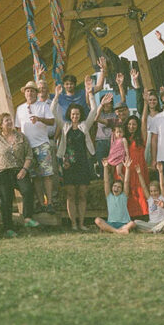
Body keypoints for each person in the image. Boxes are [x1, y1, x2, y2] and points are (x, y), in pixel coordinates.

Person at [57, 93, 107, 231]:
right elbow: (52, 112)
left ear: (80, 115)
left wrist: (90, 94)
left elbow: (93, 110)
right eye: (73, 114)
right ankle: (73, 224)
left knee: (82, 194)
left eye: (77, 114)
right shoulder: (65, 126)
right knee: (71, 195)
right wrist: (56, 96)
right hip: (68, 164)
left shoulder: (84, 126)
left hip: (83, 164)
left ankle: (81, 224)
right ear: (69, 114)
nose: (75, 116)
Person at [0, 113, 39, 237]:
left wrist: (24, 170)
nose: (10, 122)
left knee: (27, 190)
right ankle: (8, 228)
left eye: (10, 120)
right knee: (6, 200)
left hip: (19, 170)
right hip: (3, 172)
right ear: (1, 125)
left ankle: (27, 218)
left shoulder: (21, 137)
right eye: (6, 121)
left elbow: (29, 155)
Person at [17, 81, 57, 213]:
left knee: (47, 175)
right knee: (35, 177)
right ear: (25, 93)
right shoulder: (20, 108)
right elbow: (17, 129)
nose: (30, 93)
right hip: (28, 147)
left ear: (36, 93)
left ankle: (50, 203)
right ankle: (41, 203)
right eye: (27, 91)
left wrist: (39, 119)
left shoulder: (43, 106)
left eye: (32, 91)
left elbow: (52, 121)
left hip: (42, 144)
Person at [94, 158, 136, 234]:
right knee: (97, 220)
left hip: (123, 223)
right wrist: (105, 167)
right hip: (111, 223)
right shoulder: (109, 196)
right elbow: (106, 181)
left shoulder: (124, 196)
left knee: (132, 223)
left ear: (122, 189)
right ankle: (117, 231)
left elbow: (126, 182)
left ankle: (112, 230)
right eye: (115, 186)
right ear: (112, 187)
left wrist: (127, 168)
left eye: (119, 187)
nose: (116, 188)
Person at [123, 114, 149, 219]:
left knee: (142, 190)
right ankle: (131, 216)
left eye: (134, 124)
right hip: (128, 169)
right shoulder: (124, 139)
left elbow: (144, 120)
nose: (131, 126)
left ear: (137, 126)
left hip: (139, 168)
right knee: (130, 192)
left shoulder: (141, 138)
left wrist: (146, 103)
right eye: (129, 124)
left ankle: (144, 215)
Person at [133, 164, 164, 233]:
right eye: (151, 191)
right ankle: (154, 230)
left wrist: (160, 172)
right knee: (135, 222)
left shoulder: (162, 197)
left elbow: (162, 185)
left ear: (159, 191)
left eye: (155, 191)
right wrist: (139, 173)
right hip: (151, 224)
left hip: (161, 222)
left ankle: (151, 231)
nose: (153, 193)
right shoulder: (150, 199)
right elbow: (143, 186)